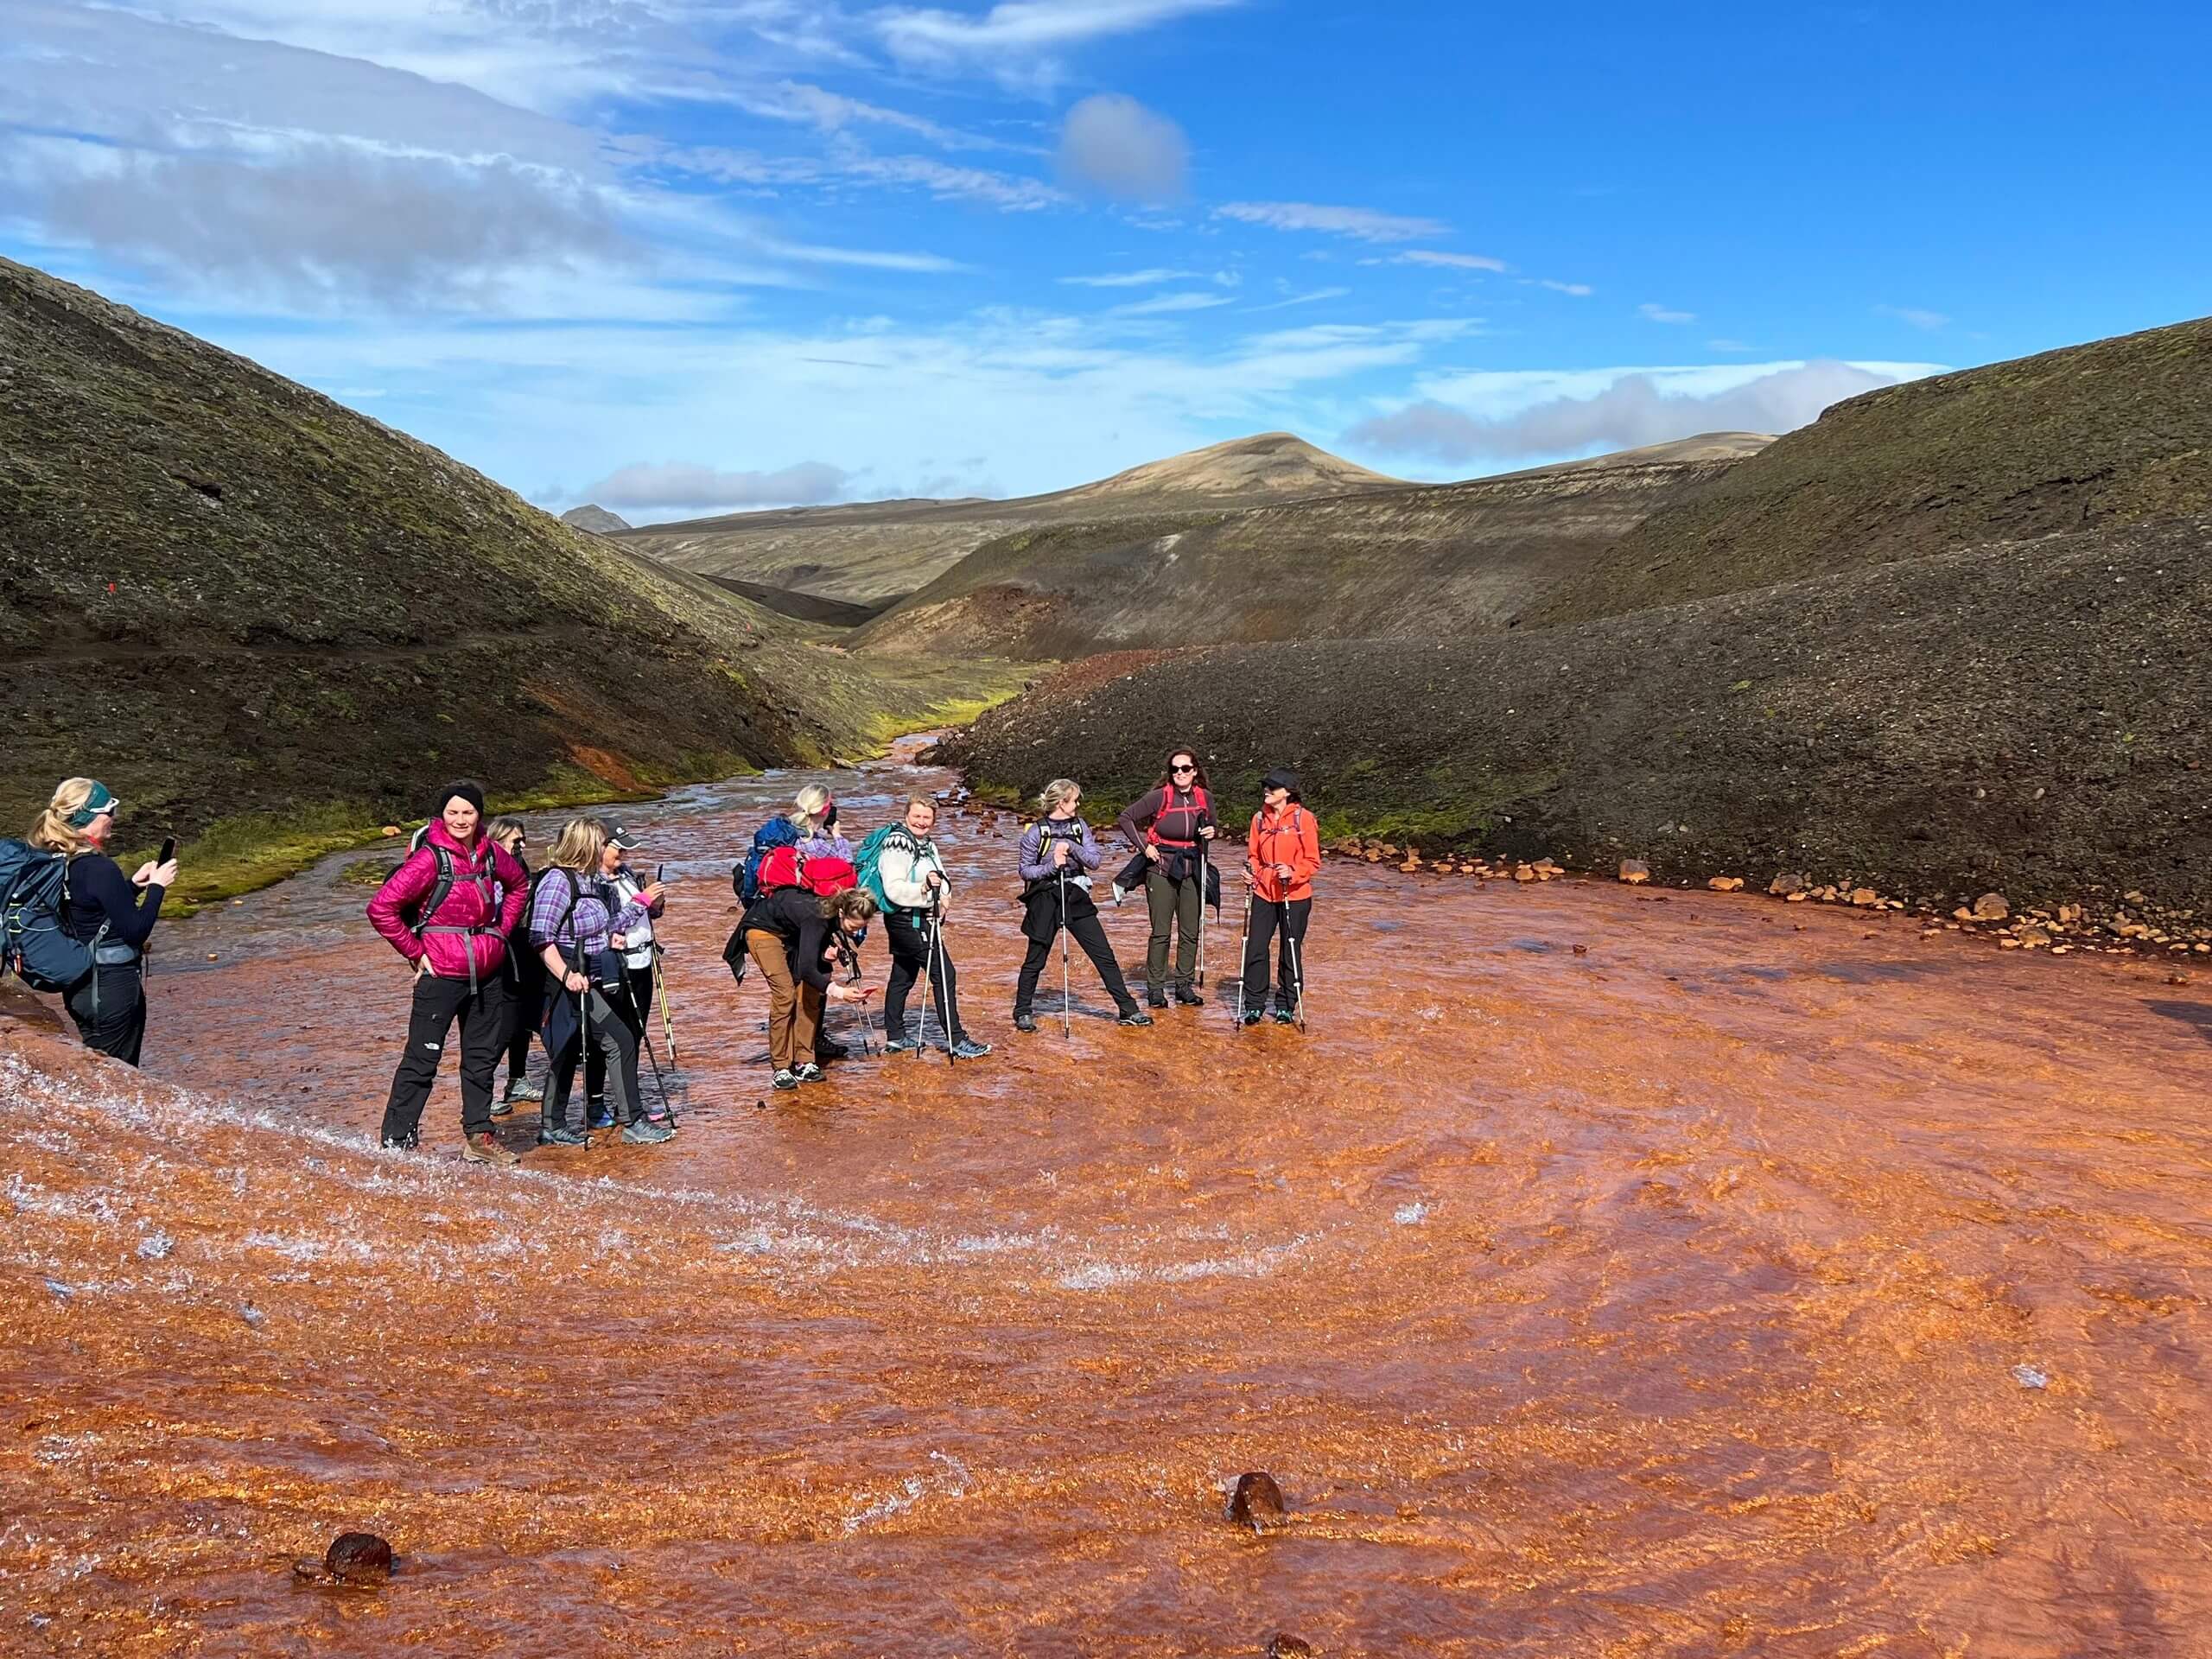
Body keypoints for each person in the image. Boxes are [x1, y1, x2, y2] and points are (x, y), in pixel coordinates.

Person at [365, 780, 529, 1164]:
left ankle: (478, 1138)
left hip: (487, 974)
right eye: (452, 812)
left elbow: (520, 883)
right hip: (440, 976)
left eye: (468, 812)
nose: (460, 820)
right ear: (442, 815)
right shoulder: (429, 859)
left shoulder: (490, 854)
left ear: (479, 816)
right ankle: (397, 1143)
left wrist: (499, 933)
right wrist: (415, 952)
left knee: (482, 1058)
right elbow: (380, 909)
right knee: (422, 1060)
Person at [529, 817, 672, 1147]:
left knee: (608, 1043)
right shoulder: (558, 880)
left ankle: (573, 1124)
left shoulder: (588, 880)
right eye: (600, 843)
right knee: (577, 1047)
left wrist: (615, 934)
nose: (606, 848)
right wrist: (566, 975)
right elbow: (541, 936)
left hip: (589, 977)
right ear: (585, 844)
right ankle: (618, 1122)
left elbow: (605, 923)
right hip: (564, 981)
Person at [24, 779, 174, 1065]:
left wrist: (132, 886)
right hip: (111, 989)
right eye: (109, 809)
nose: (114, 817)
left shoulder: (56, 860)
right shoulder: (100, 868)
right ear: (88, 817)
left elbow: (88, 913)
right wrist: (158, 887)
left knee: (98, 1071)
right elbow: (135, 930)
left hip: (80, 988)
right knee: (119, 1077)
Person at [1012, 779, 1151, 1033]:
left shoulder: (1079, 826)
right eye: (1074, 800)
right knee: (1036, 959)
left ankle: (1128, 1010)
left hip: (1075, 894)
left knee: (1103, 954)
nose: (1077, 804)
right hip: (1045, 897)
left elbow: (1095, 861)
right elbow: (1025, 871)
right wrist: (1053, 865)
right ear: (1062, 803)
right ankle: (1022, 1012)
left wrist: (1073, 848)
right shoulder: (1035, 832)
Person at [872, 796, 990, 1058]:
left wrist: (944, 899)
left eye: (927, 818)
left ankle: (896, 1036)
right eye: (916, 816)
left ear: (934, 821)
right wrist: (926, 893)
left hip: (918, 919)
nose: (921, 822)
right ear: (906, 815)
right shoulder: (899, 843)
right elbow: (893, 888)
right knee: (945, 974)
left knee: (902, 976)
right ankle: (956, 1040)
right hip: (909, 921)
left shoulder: (926, 844)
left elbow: (942, 878)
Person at [740, 885, 878, 1090]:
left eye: (860, 928)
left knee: (811, 991)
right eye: (852, 927)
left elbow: (813, 956)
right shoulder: (818, 917)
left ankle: (804, 1061)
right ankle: (781, 1068)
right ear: (841, 912)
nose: (854, 932)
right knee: (785, 994)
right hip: (763, 930)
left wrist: (825, 954)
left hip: (792, 935)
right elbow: (806, 968)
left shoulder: (832, 919)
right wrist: (839, 992)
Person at [1116, 747, 1218, 1009]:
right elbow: (1126, 817)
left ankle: (1184, 986)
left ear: (1195, 771)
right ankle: (1156, 989)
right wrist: (1144, 847)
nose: (1180, 773)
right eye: (1175, 769)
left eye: (1185, 769)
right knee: (1161, 932)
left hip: (1192, 866)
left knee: (1190, 931)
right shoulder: (1159, 797)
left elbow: (1212, 825)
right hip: (1161, 867)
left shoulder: (1205, 797)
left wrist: (1210, 832)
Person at [582, 823, 664, 1130]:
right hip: (615, 964)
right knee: (610, 1037)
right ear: (600, 848)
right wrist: (641, 902)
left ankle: (627, 1102)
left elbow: (647, 914)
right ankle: (595, 1102)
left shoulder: (627, 874)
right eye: (619, 849)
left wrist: (654, 905)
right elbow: (608, 923)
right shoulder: (593, 882)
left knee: (635, 1033)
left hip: (642, 960)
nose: (624, 854)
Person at [1240, 769, 1321, 1027]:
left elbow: (1313, 861)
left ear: (1287, 792)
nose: (1266, 790)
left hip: (1295, 895)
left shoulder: (1304, 819)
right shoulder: (1258, 820)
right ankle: (1254, 1006)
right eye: (1265, 786)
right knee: (1255, 947)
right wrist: (1250, 872)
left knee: (1290, 949)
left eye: (1272, 787)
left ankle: (1286, 1005)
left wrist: (1293, 872)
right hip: (1264, 892)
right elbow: (1253, 855)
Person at [484, 816, 543, 1116]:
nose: (522, 844)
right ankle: (481, 1092)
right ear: (499, 837)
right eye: (516, 839)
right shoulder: (487, 867)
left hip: (522, 947)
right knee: (504, 1023)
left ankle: (517, 1079)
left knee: (522, 1021)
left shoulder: (518, 864)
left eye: (523, 839)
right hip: (498, 951)